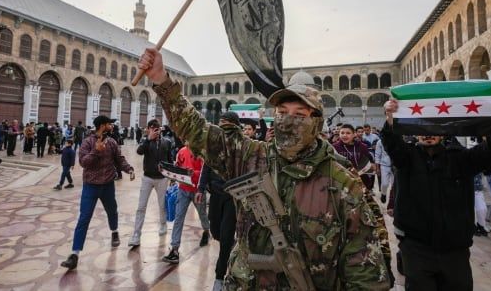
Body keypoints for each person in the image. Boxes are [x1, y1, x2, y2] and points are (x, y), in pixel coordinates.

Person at [138, 48, 390, 290]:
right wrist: (162, 80)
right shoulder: (252, 157)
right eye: (282, 112)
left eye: (299, 113)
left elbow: (365, 272)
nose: (288, 120)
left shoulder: (342, 183)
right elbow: (198, 131)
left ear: (316, 121)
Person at [381, 98, 491, 291]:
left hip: (455, 249)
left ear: (443, 133)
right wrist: (390, 118)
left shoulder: (461, 158)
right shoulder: (406, 158)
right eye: (423, 131)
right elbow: (391, 142)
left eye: (434, 131)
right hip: (416, 246)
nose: (428, 136)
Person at [61, 115, 135, 270]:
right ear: (102, 125)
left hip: (107, 185)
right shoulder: (88, 142)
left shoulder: (112, 142)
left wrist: (129, 169)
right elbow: (83, 162)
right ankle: (74, 254)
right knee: (84, 218)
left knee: (112, 211)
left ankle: (114, 231)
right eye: (109, 124)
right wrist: (96, 151)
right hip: (91, 186)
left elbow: (119, 159)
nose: (111, 126)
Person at [196, 115, 239, 290]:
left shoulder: (241, 148)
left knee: (226, 236)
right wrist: (200, 189)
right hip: (215, 195)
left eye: (227, 126)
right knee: (216, 233)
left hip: (231, 198)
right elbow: (206, 168)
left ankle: (219, 277)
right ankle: (230, 245)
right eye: (221, 126)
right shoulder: (213, 146)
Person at [162, 141, 210, 264]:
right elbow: (177, 167)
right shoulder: (181, 151)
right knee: (179, 218)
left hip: (197, 190)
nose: (187, 140)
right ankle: (175, 249)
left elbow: (206, 172)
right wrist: (170, 174)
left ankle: (206, 230)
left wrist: (194, 173)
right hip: (183, 189)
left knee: (202, 214)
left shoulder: (201, 153)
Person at [128, 119, 173, 247]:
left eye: (157, 128)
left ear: (160, 129)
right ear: (148, 129)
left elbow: (170, 161)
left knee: (162, 205)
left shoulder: (167, 142)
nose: (155, 130)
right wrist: (148, 139)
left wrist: (172, 177)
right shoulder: (145, 141)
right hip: (147, 178)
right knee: (141, 206)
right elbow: (139, 151)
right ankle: (136, 234)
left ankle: (163, 225)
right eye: (152, 128)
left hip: (162, 178)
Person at [333, 124, 376, 191]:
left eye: (348, 133)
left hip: (360, 182)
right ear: (339, 134)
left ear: (354, 134)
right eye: (342, 133)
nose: (344, 135)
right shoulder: (334, 147)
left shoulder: (362, 147)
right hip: (341, 182)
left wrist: (368, 185)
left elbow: (367, 168)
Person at [374, 138, 393, 203]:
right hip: (384, 165)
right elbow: (377, 155)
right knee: (385, 183)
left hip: (395, 166)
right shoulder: (380, 142)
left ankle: (392, 199)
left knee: (394, 185)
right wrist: (377, 168)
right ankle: (383, 194)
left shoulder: (398, 140)